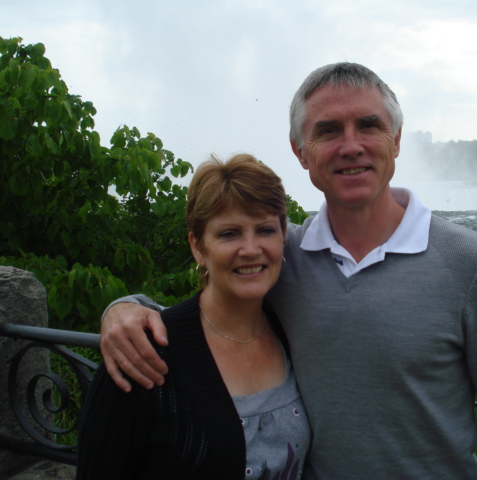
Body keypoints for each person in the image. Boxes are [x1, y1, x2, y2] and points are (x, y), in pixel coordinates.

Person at [100, 63, 477, 479]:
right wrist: (125, 308)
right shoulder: (285, 255)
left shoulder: (467, 261)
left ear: (396, 140)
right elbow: (215, 309)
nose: (351, 145)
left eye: (369, 125)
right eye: (329, 130)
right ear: (301, 151)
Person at [76, 154, 310, 480]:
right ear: (197, 246)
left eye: (265, 230)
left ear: (283, 235)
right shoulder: (143, 354)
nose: (251, 248)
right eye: (229, 233)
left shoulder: (290, 329)